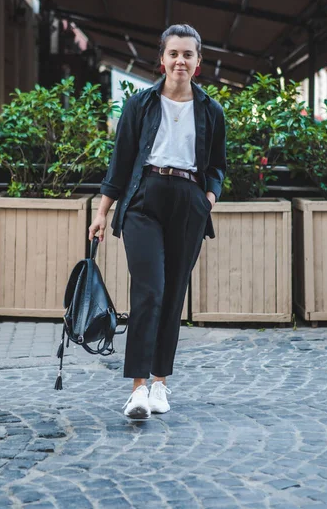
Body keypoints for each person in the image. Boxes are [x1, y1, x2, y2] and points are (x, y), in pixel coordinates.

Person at [88, 24, 226, 419]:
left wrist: (208, 199)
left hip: (188, 202)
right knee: (149, 290)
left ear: (198, 63)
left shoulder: (211, 110)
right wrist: (102, 213)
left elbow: (217, 166)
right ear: (162, 59)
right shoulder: (141, 105)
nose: (180, 60)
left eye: (188, 55)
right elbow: (120, 164)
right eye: (174, 53)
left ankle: (161, 384)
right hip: (143, 199)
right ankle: (137, 390)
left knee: (172, 293)